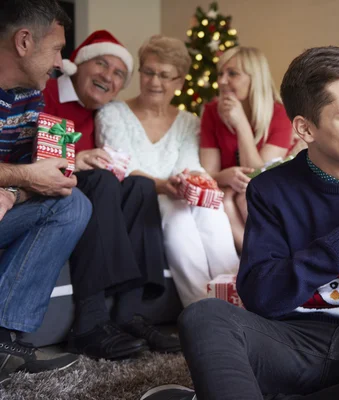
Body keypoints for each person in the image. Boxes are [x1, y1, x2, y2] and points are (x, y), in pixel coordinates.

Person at [141, 46, 339, 400]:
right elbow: (261, 297)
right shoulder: (271, 189)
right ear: (305, 129)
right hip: (287, 344)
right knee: (203, 316)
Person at [42, 30, 179, 360]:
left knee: (140, 186)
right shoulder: (45, 91)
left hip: (83, 196)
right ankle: (89, 324)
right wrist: (74, 162)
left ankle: (130, 314)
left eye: (119, 73)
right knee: (102, 180)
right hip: (46, 194)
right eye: (101, 64)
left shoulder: (101, 113)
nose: (108, 76)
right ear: (78, 64)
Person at [96, 34, 239, 307]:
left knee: (212, 212)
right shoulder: (112, 114)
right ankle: (201, 310)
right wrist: (167, 186)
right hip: (140, 201)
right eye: (148, 72)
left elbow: (191, 165)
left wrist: (194, 182)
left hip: (177, 193)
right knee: (179, 221)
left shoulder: (189, 121)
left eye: (164, 75)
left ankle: (234, 300)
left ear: (179, 81)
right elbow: (123, 170)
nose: (154, 82)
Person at [0, 0, 92, 384]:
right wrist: (22, 177)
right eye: (56, 49)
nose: (60, 62)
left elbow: (31, 182)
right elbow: (23, 174)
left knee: (72, 203)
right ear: (24, 41)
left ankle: (3, 342)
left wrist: (19, 189)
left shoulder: (31, 97)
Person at [200, 46, 293, 253]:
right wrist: (226, 177)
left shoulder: (279, 114)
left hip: (264, 189)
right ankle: (254, 260)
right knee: (224, 200)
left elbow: (258, 174)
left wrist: (241, 123)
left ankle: (265, 259)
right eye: (220, 74)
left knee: (245, 198)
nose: (222, 81)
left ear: (255, 78)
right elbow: (208, 173)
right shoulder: (211, 113)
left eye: (232, 74)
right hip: (226, 189)